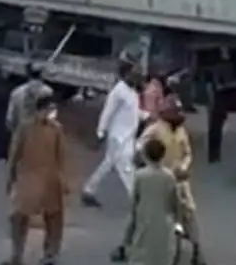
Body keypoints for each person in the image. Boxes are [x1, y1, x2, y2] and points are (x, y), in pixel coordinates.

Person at [6, 95, 69, 265]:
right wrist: (10, 179)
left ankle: (50, 254)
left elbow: (61, 156)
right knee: (18, 218)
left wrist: (63, 180)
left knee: (54, 219)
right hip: (28, 178)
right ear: (40, 110)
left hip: (50, 180)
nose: (52, 113)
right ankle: (16, 255)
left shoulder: (56, 129)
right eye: (49, 109)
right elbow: (14, 154)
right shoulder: (25, 128)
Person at [138, 97, 202, 265]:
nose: (179, 115)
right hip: (161, 178)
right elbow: (140, 147)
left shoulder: (181, 131)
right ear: (166, 114)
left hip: (180, 179)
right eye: (176, 112)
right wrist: (151, 164)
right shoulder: (155, 130)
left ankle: (197, 249)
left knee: (189, 211)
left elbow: (187, 153)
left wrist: (184, 166)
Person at [82, 61, 142, 207]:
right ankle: (137, 199)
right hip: (118, 138)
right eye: (134, 72)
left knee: (108, 164)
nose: (138, 75)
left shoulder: (132, 92)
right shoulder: (118, 92)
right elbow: (107, 113)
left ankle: (88, 190)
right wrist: (100, 132)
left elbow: (133, 112)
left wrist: (146, 115)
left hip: (128, 136)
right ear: (126, 74)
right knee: (126, 168)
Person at [119, 138, 183, 265]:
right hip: (164, 227)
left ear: (145, 155)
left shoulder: (140, 176)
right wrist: (178, 223)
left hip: (144, 224)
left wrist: (126, 240)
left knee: (141, 257)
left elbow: (133, 206)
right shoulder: (169, 177)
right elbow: (176, 202)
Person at [7, 65, 54, 135]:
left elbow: (10, 118)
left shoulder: (16, 92)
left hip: (20, 132)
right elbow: (50, 115)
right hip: (38, 134)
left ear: (28, 74)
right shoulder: (48, 92)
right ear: (42, 76)